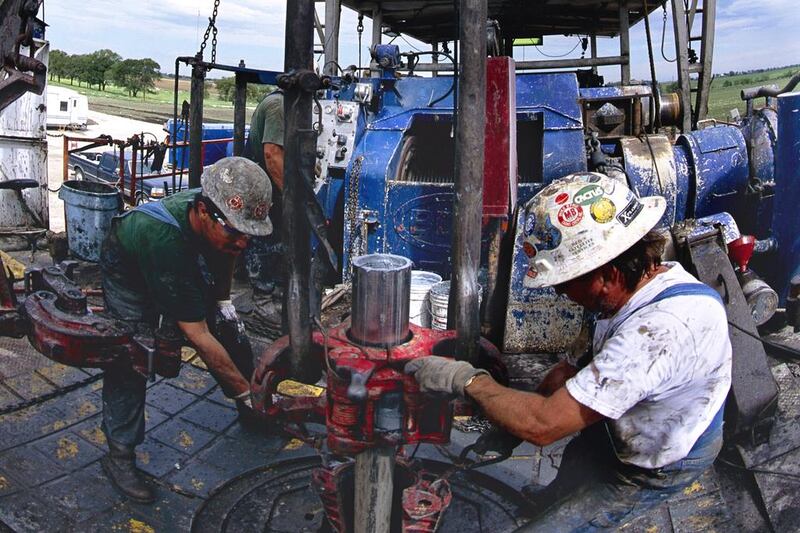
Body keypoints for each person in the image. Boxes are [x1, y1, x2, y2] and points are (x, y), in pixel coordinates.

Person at [405, 172, 732, 531]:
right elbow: (566, 373)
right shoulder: (631, 290)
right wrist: (509, 429)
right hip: (627, 421)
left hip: (659, 458)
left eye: (565, 284)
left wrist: (468, 381)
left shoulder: (655, 333)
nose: (562, 294)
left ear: (604, 275)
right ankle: (553, 500)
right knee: (579, 462)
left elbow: (545, 426)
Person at [98, 157, 273, 503]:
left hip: (175, 259)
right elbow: (197, 334)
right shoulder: (164, 239)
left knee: (228, 330)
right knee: (132, 354)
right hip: (129, 269)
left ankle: (252, 412)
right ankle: (119, 456)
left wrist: (223, 305)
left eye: (248, 235)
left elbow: (228, 255)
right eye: (236, 233)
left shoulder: (219, 213)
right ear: (203, 213)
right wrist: (243, 392)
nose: (242, 243)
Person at [240, 89, 286, 337]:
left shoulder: (284, 104)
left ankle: (276, 297)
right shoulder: (279, 105)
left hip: (271, 184)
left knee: (279, 241)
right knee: (265, 241)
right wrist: (289, 194)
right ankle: (262, 305)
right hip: (264, 187)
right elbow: (272, 155)